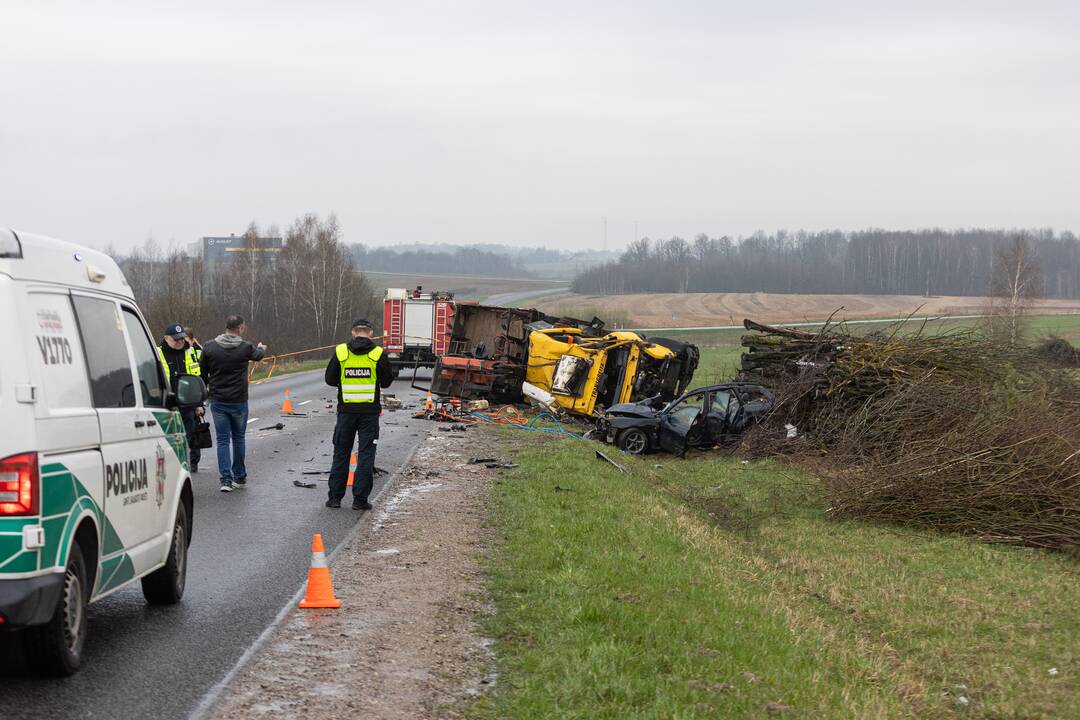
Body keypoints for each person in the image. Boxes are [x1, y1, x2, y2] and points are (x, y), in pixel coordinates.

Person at [324, 317, 395, 509]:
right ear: (371, 333)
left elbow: (330, 379)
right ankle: (359, 500)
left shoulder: (341, 352)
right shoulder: (378, 353)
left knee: (341, 453)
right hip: (369, 414)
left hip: (346, 412)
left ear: (353, 332)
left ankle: (335, 499)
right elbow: (387, 381)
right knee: (366, 455)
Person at [199, 315, 267, 492]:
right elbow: (258, 355)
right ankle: (239, 476)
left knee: (222, 440)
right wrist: (262, 348)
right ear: (241, 328)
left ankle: (225, 481)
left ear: (226, 327)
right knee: (238, 438)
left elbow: (202, 374)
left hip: (219, 400)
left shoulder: (209, 347)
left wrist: (203, 396)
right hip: (238, 401)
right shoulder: (245, 347)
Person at [157, 322, 205, 472]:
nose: (179, 342)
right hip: (167, 402)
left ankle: (193, 462)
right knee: (170, 436)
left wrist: (199, 403)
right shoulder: (157, 353)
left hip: (188, 402)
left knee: (191, 433)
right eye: (176, 339)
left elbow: (197, 377)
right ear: (166, 338)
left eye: (181, 339)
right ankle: (174, 462)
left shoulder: (189, 352)